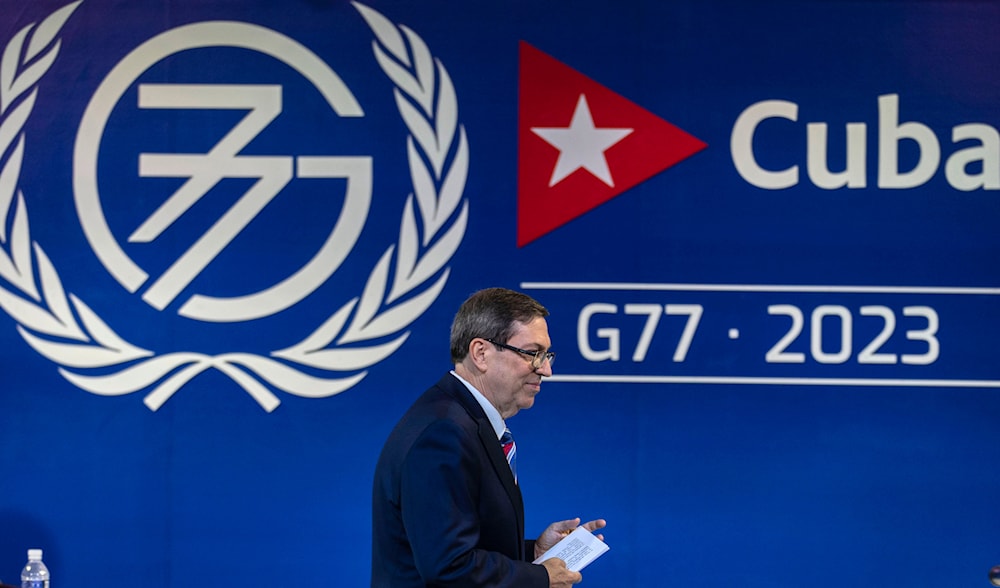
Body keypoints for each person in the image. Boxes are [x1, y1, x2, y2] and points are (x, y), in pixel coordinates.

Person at [371, 287, 606, 587]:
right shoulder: (443, 434)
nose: (545, 369)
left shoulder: (460, 420)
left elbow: (459, 546)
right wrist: (540, 577)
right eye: (533, 353)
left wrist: (532, 552)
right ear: (481, 353)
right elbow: (449, 567)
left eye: (546, 355)